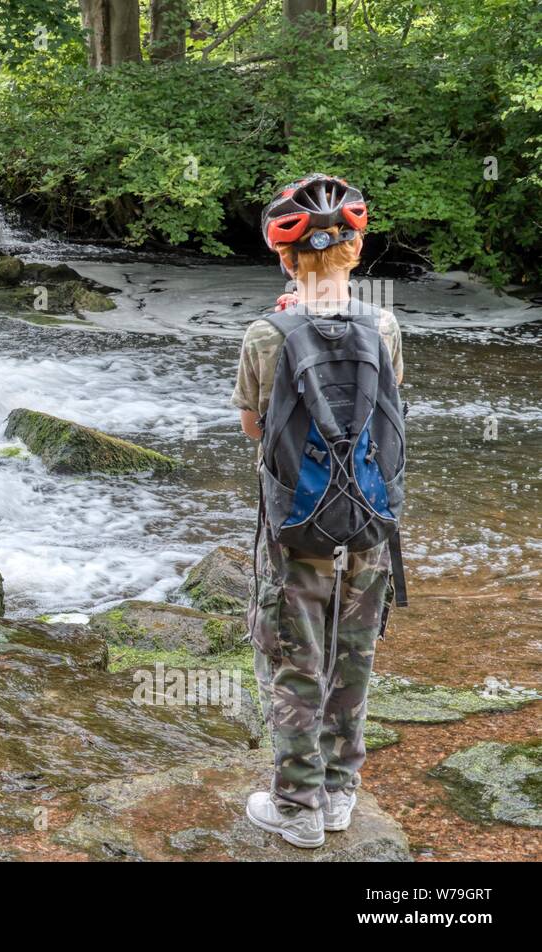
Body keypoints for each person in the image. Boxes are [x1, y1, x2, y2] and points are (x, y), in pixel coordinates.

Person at [231, 173, 406, 849]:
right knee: (354, 654)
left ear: (285, 257)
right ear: (355, 252)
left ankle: (296, 805)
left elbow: (253, 427)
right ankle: (340, 795)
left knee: (294, 660)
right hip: (368, 519)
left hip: (294, 527)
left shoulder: (265, 334)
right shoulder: (384, 324)